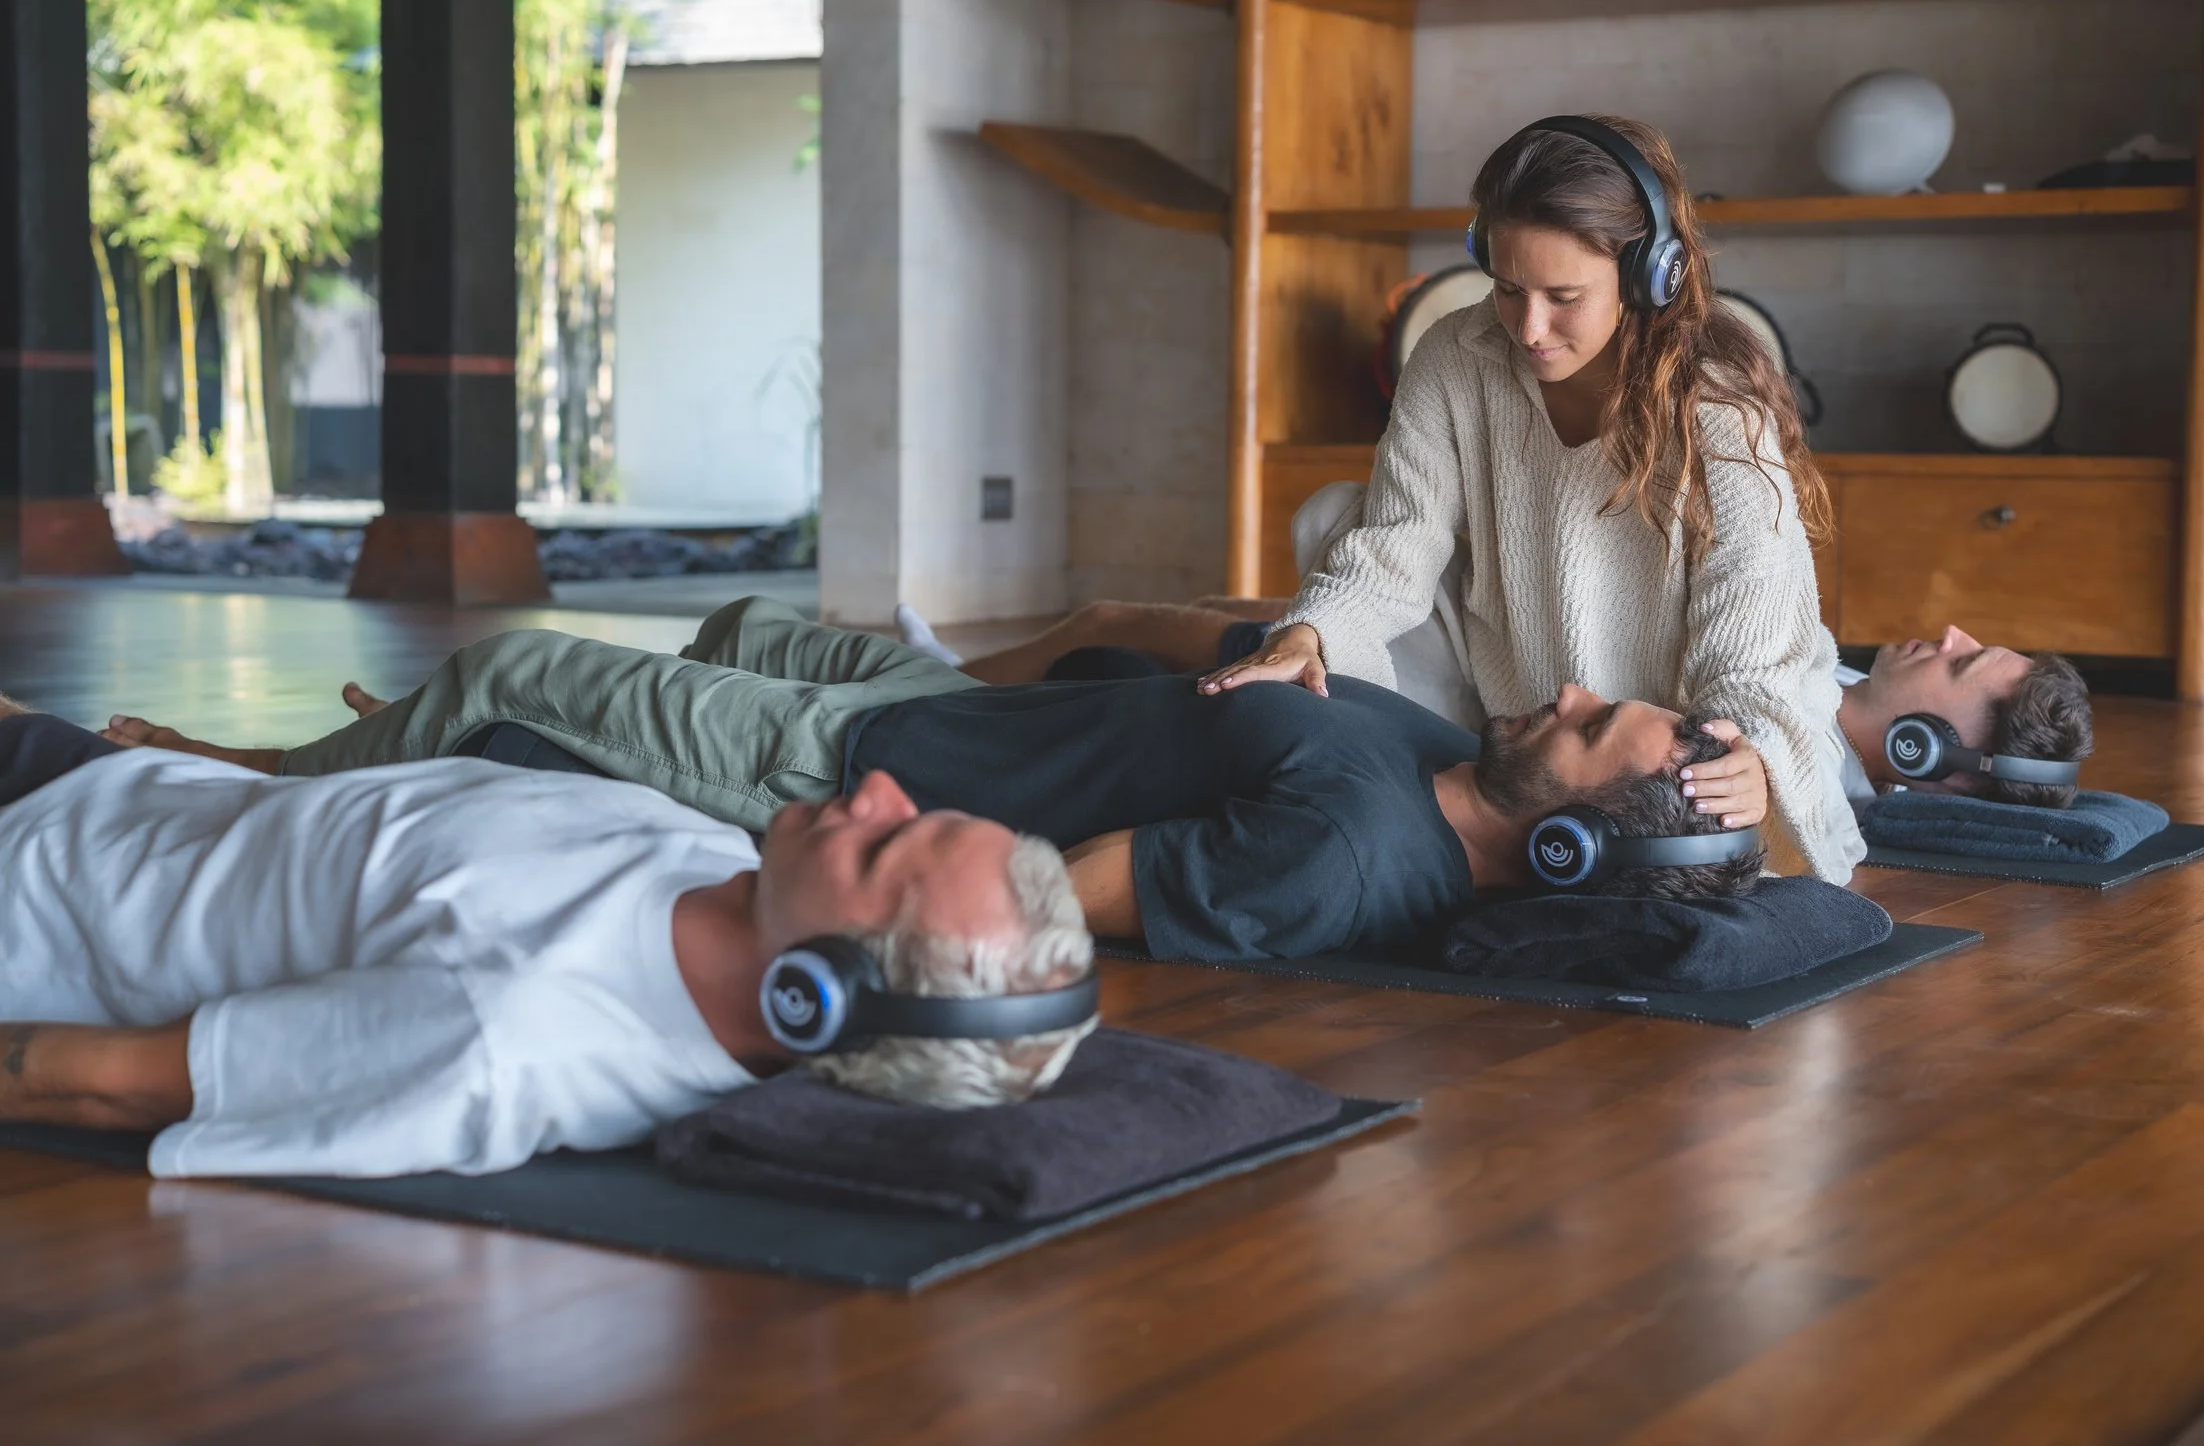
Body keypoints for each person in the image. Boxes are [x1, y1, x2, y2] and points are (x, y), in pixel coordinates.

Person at [105, 598, 1769, 966]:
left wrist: (791, 850)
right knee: (747, 613)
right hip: (947, 700)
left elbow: (1039, 912)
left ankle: (252, 782)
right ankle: (421, 745)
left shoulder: (1332, 867)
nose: (1561, 691)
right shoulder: (1438, 769)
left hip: (854, 764)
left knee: (508, 667)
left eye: (1591, 721)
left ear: (1563, 837)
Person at [0, 693, 1093, 1179]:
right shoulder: (733, 866)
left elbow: (89, 1079)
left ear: (818, 991)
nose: (882, 789)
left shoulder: (509, 1033)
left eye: (880, 850)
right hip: (113, 789)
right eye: (919, 811)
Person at [1191, 115, 1861, 884]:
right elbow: (1395, 545)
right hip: (1508, 715)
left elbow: (1751, 632)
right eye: (1509, 288)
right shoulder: (1454, 355)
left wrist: (1743, 754)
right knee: (1333, 518)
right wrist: (1312, 634)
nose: (1530, 328)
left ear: (1651, 276)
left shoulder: (1717, 409)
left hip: (1663, 745)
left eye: (1563, 296)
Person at [952, 605, 2097, 816]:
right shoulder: (1818, 678)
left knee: (1119, 621)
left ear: (1921, 745)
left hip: (1425, 686)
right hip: (1462, 635)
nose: (1946, 632)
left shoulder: (1769, 758)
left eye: (1968, 660)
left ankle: (942, 677)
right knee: (1167, 615)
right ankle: (950, 668)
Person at [1832, 628, 2095, 812]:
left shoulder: (1805, 780)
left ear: (1928, 750)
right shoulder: (1830, 677)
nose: (1953, 633)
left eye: (1960, 663)